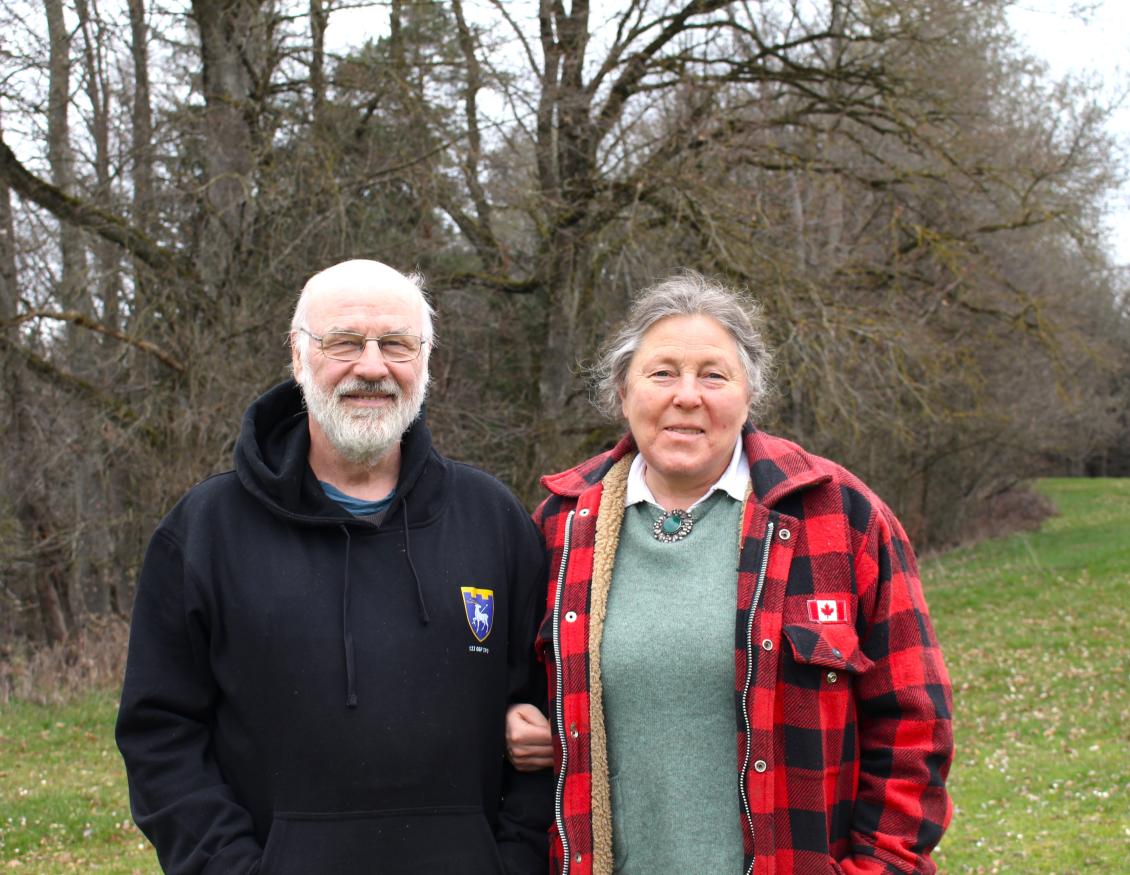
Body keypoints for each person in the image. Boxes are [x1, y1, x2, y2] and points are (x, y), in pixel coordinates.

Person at [505, 273, 953, 874]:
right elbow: (514, 688)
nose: (686, 396)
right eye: (662, 373)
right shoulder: (559, 525)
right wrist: (514, 719)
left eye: (713, 375)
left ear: (748, 395)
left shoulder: (839, 517)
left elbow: (915, 726)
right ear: (622, 391)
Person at [116, 259, 550, 875]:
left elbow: (548, 721)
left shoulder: (494, 521)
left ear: (425, 361)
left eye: (396, 344)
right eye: (344, 342)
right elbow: (160, 736)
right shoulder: (206, 531)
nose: (372, 367)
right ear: (298, 357)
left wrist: (513, 862)